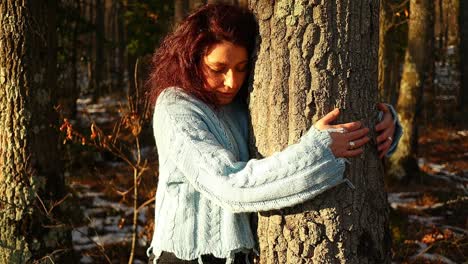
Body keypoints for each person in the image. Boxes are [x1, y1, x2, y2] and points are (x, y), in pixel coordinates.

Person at [146, 4, 402, 264]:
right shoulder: (176, 107)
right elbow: (227, 185)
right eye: (218, 69)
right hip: (186, 258)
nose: (232, 81)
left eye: (242, 67)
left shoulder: (238, 101)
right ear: (191, 59)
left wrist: (382, 123)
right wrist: (316, 152)